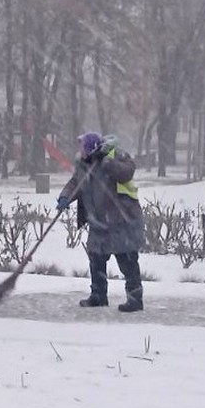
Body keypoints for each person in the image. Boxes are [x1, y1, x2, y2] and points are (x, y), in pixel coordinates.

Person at [56, 132, 145, 312]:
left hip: (121, 219)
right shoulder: (84, 165)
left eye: (82, 146)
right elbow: (75, 183)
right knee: (96, 257)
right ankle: (98, 295)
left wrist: (107, 163)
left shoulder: (115, 155)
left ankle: (135, 299)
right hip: (98, 221)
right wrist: (65, 197)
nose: (79, 151)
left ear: (90, 147)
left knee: (126, 259)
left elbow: (127, 172)